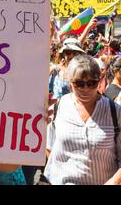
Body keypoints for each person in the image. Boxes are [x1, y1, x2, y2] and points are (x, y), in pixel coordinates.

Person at [45, 55, 121, 185]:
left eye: (92, 83)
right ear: (70, 81)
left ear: (101, 80)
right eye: (79, 83)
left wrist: (113, 182)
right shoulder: (58, 107)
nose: (85, 89)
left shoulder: (116, 112)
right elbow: (49, 146)